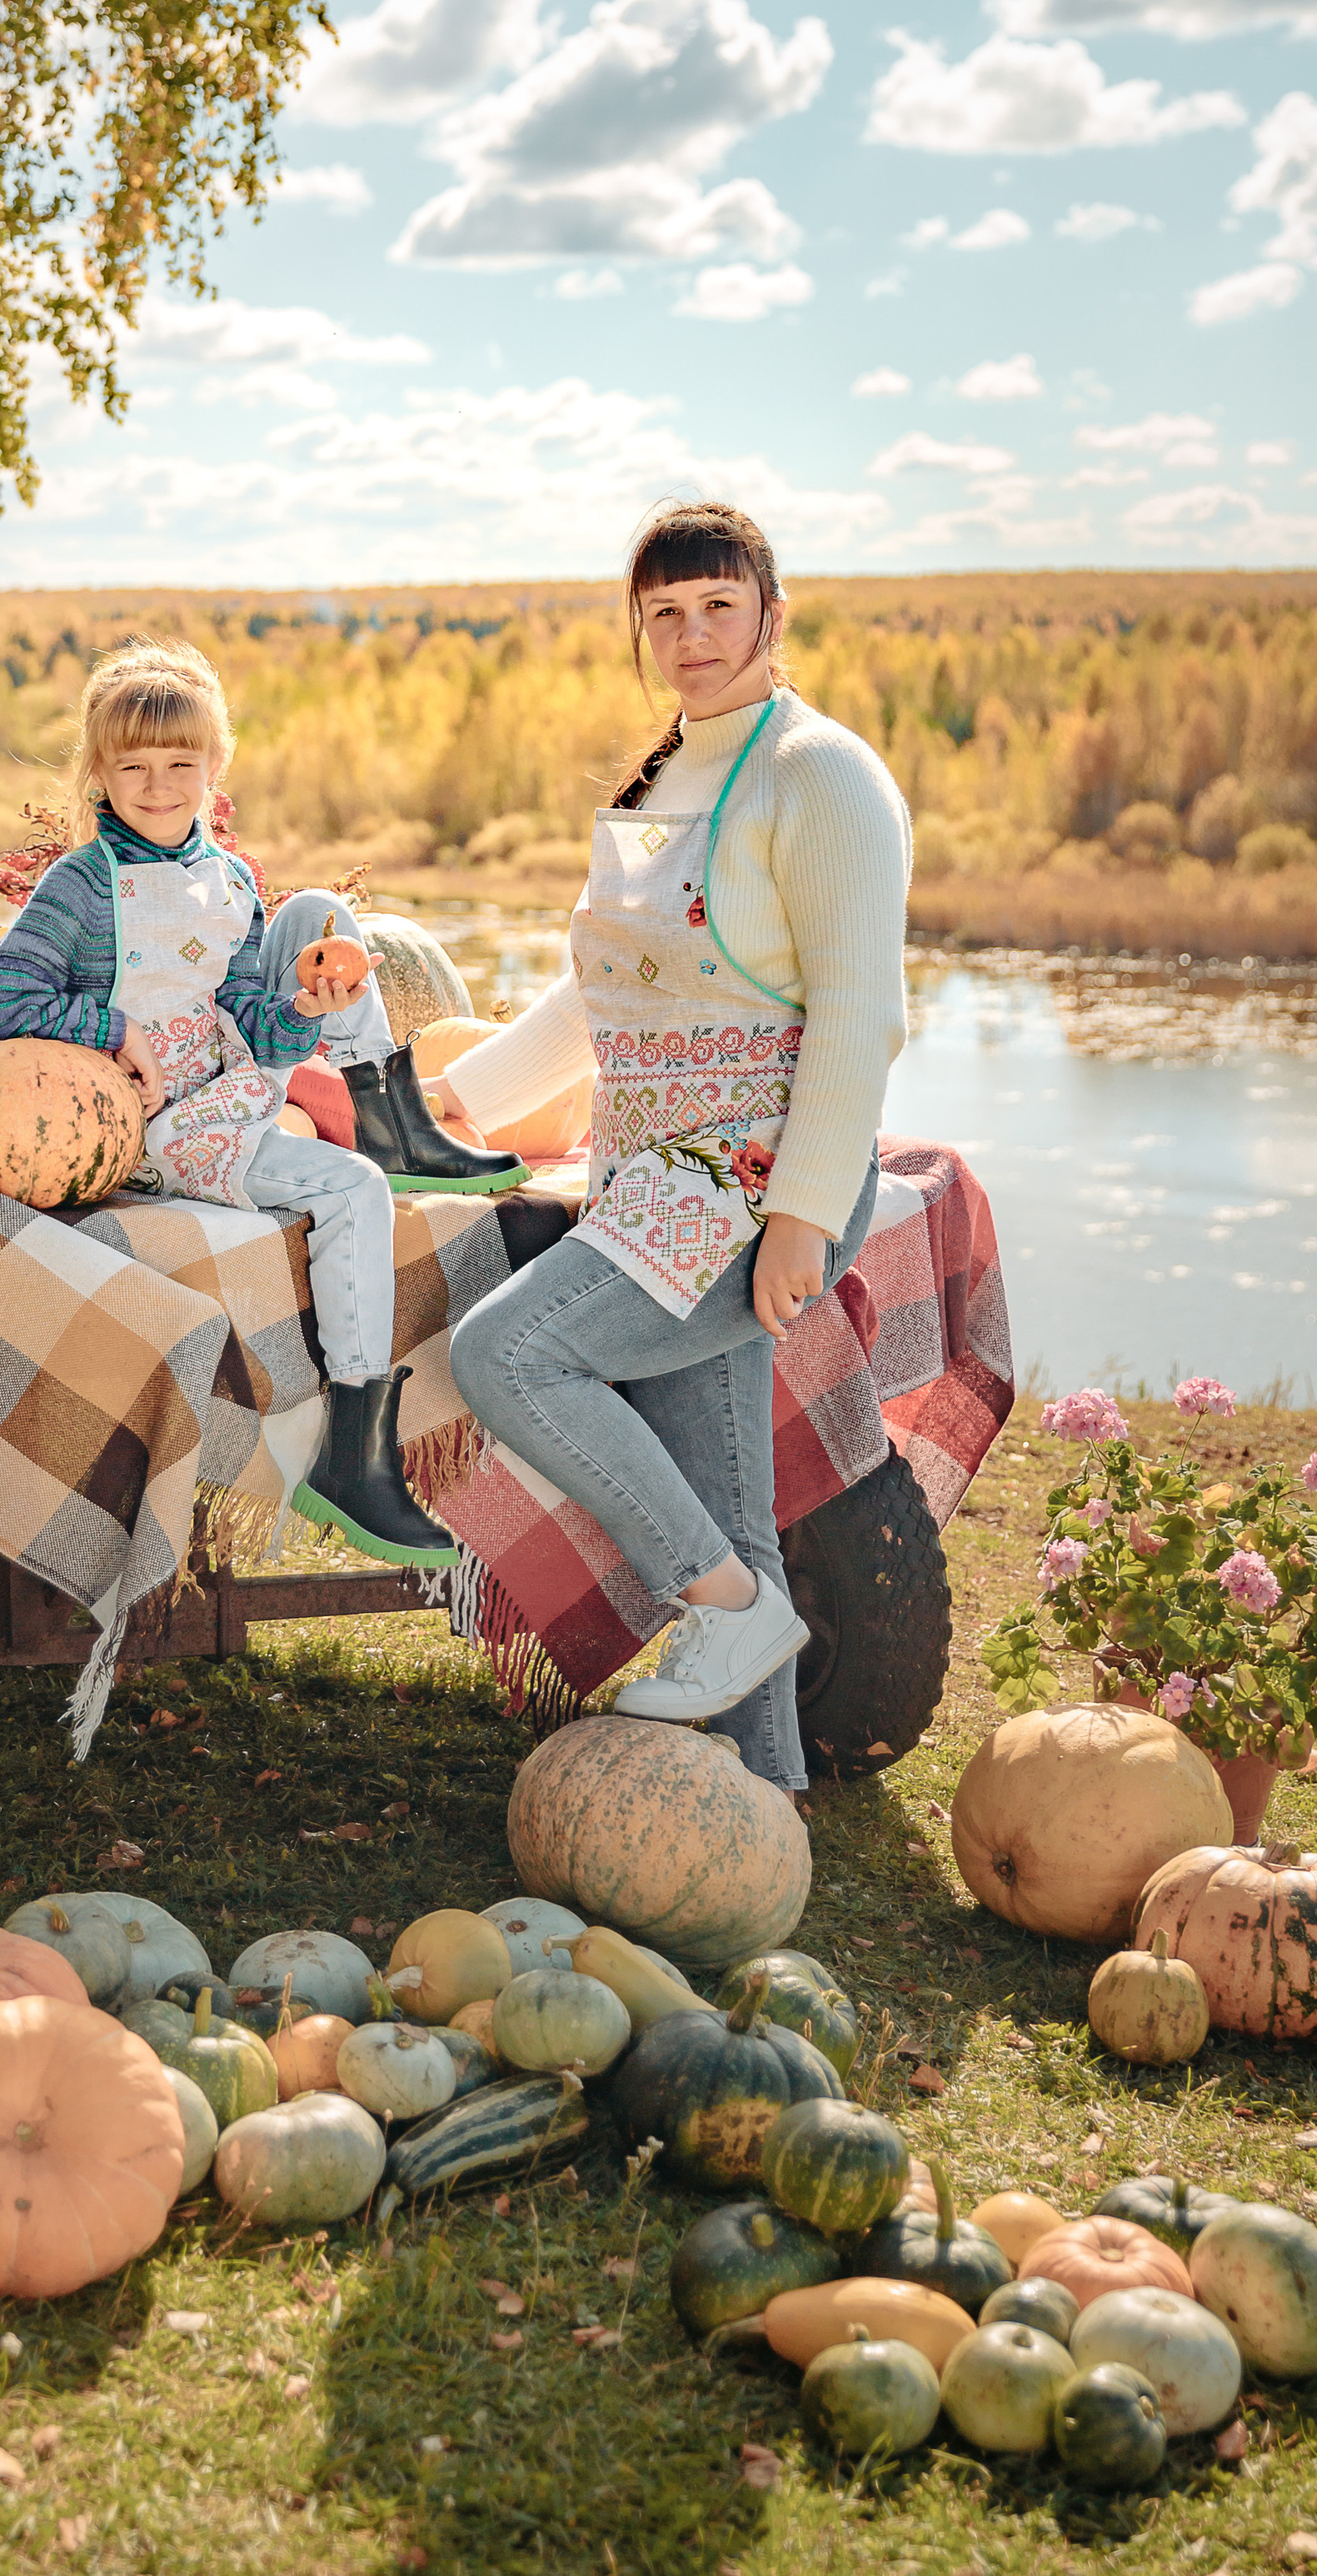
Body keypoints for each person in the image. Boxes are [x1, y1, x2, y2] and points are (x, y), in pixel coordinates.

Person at [444, 501, 912, 1778]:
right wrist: (461, 1100)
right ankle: (762, 1806)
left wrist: (802, 1217)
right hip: (648, 1177)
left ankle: (725, 1611)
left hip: (749, 1181)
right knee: (727, 1506)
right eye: (665, 614)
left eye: (718, 606)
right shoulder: (659, 782)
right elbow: (604, 994)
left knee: (509, 1354)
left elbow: (860, 1014)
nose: (692, 635)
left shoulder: (821, 774)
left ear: (772, 612)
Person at [0, 638, 516, 1569]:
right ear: (98, 773)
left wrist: (304, 1006)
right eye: (133, 767)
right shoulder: (82, 886)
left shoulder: (228, 882)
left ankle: (389, 1117)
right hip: (153, 1128)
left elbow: (257, 1031)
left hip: (228, 1089)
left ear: (215, 766)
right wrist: (111, 1028)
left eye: (181, 764)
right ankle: (354, 1454)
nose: (158, 785)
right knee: (353, 1191)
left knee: (319, 917)